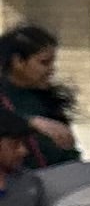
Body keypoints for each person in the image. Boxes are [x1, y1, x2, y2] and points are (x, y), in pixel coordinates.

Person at [0, 26, 78, 167]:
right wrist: (31, 122)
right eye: (44, 62)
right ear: (18, 62)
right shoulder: (4, 97)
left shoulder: (47, 99)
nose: (51, 70)